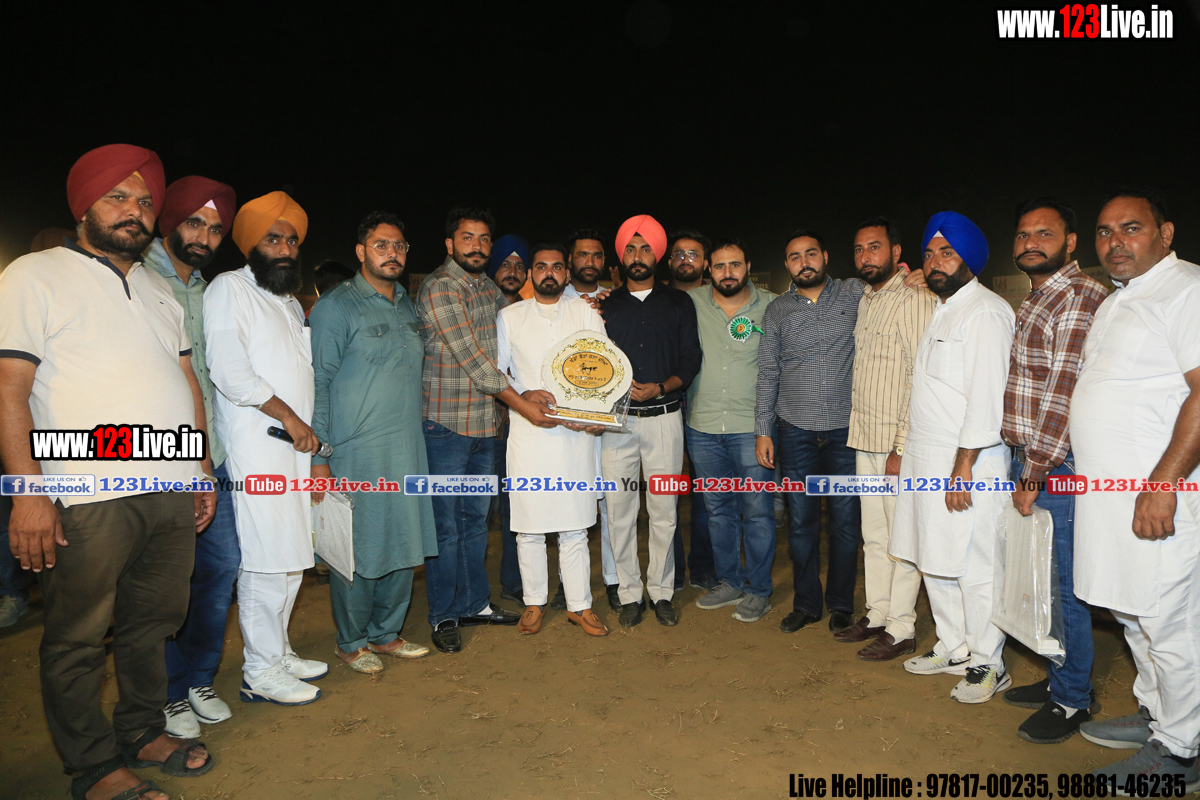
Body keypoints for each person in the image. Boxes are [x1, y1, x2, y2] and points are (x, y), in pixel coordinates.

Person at [0, 144, 215, 800]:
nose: (135, 210)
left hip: (169, 487)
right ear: (83, 206)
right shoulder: (34, 275)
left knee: (153, 623)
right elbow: (9, 389)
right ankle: (93, 768)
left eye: (145, 200)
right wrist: (28, 493)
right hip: (87, 489)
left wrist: (200, 467)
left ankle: (143, 731)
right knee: (79, 637)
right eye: (117, 196)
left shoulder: (157, 288)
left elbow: (186, 380)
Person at [1071, 189, 1200, 787]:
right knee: (1132, 611)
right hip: (1110, 499)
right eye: (1104, 231)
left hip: (1160, 495)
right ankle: (1157, 715)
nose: (1114, 242)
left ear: (1164, 234)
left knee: (1169, 621)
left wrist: (1164, 482)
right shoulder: (1118, 299)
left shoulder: (1186, 289)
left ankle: (1182, 751)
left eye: (1130, 228)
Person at [205, 190, 328, 705]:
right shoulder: (229, 289)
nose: (284, 249)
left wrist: (308, 440)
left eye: (291, 241)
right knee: (263, 558)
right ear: (251, 244)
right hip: (258, 446)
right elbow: (230, 373)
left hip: (294, 449)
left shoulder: (288, 301)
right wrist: (290, 417)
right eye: (273, 239)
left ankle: (278, 652)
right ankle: (259, 671)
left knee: (293, 554)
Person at [416, 206, 556, 653]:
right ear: (450, 244)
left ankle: (474, 603)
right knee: (446, 527)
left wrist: (526, 388)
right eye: (467, 238)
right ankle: (443, 614)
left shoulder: (489, 290)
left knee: (476, 523)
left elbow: (507, 347)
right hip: (446, 427)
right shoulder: (440, 288)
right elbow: (477, 363)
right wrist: (524, 403)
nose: (476, 246)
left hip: (484, 428)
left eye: (482, 239)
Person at [889, 210, 1015, 704]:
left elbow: (986, 398)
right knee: (934, 557)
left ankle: (989, 662)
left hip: (970, 464)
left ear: (970, 259)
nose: (935, 262)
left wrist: (963, 466)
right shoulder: (943, 309)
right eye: (929, 253)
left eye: (947, 252)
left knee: (975, 565)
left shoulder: (985, 312)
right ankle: (954, 645)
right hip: (927, 459)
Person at [997, 198, 1107, 743]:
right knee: (1041, 577)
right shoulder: (1041, 296)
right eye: (1023, 234)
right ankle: (1060, 675)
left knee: (1063, 585)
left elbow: (1063, 393)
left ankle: (1071, 700)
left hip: (1055, 463)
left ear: (1071, 242)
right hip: (1036, 458)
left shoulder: (1078, 296)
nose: (1030, 243)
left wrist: (1034, 471)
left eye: (1044, 233)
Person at [309, 211, 437, 674]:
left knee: (404, 539)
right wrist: (320, 455)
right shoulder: (336, 307)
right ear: (361, 251)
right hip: (354, 450)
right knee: (358, 546)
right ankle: (351, 641)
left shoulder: (407, 305)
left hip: (407, 447)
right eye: (382, 245)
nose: (392, 253)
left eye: (400, 246)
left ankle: (386, 633)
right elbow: (318, 382)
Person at [142, 175, 242, 738]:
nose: (204, 236)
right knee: (163, 582)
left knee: (221, 567)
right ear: (169, 222)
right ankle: (168, 690)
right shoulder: (135, 281)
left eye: (215, 228)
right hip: (158, 458)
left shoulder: (209, 292)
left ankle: (199, 677)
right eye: (194, 222)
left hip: (212, 456)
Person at [496, 242, 610, 636]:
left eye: (557, 267)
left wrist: (592, 416)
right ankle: (534, 603)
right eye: (541, 267)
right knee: (528, 525)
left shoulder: (585, 313)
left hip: (576, 436)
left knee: (575, 524)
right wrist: (524, 394)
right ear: (531, 274)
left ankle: (580, 606)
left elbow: (604, 367)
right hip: (528, 434)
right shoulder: (510, 316)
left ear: (566, 273)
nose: (549, 273)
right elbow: (498, 373)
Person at [755, 230, 862, 636]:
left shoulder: (854, 294)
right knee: (801, 525)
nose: (804, 262)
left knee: (845, 524)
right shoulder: (777, 311)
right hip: (795, 431)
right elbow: (769, 372)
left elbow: (891, 284)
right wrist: (763, 430)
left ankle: (841, 604)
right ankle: (806, 604)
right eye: (795, 257)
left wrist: (910, 274)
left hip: (845, 433)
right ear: (787, 264)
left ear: (825, 256)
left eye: (810, 253)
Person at [599, 214, 702, 627]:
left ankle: (661, 592)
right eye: (630, 248)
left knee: (664, 511)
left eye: (645, 248)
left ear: (657, 255)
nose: (638, 256)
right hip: (617, 424)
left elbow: (691, 360)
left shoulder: (679, 303)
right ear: (621, 256)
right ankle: (629, 594)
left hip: (664, 420)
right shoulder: (604, 306)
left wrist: (660, 387)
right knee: (619, 510)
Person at [841, 218, 936, 661]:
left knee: (902, 540)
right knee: (875, 536)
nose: (865, 257)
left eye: (874, 247)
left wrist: (901, 446)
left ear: (896, 252)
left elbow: (920, 375)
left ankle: (901, 627)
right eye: (859, 249)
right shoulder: (866, 298)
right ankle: (878, 612)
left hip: (897, 444)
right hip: (865, 436)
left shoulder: (914, 298)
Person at [687, 239, 778, 622]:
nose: (728, 272)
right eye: (720, 266)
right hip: (703, 426)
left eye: (735, 264)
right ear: (709, 269)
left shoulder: (772, 305)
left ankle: (758, 589)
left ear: (748, 266)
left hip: (751, 428)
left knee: (757, 513)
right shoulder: (689, 302)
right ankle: (730, 581)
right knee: (718, 511)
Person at [562, 228, 621, 611]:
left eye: (596, 256)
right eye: (582, 255)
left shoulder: (616, 301)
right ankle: (567, 583)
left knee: (610, 503)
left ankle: (614, 580)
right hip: (566, 422)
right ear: (570, 260)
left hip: (608, 417)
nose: (589, 262)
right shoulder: (552, 300)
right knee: (568, 502)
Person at [665, 229, 716, 591]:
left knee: (705, 494)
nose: (686, 260)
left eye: (693, 254)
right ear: (669, 261)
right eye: (679, 254)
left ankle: (703, 568)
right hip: (665, 404)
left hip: (705, 406)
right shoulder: (656, 298)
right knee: (666, 494)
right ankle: (674, 571)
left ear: (706, 263)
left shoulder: (718, 298)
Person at [486, 233, 529, 605]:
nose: (512, 271)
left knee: (517, 508)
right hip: (480, 427)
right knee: (477, 513)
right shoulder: (481, 309)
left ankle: (514, 581)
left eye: (519, 265)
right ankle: (471, 591)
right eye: (504, 264)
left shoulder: (530, 312)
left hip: (520, 427)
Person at [488, 234, 531, 306]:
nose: (512, 272)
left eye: (519, 267)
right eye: (505, 265)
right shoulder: (477, 304)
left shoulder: (529, 309)